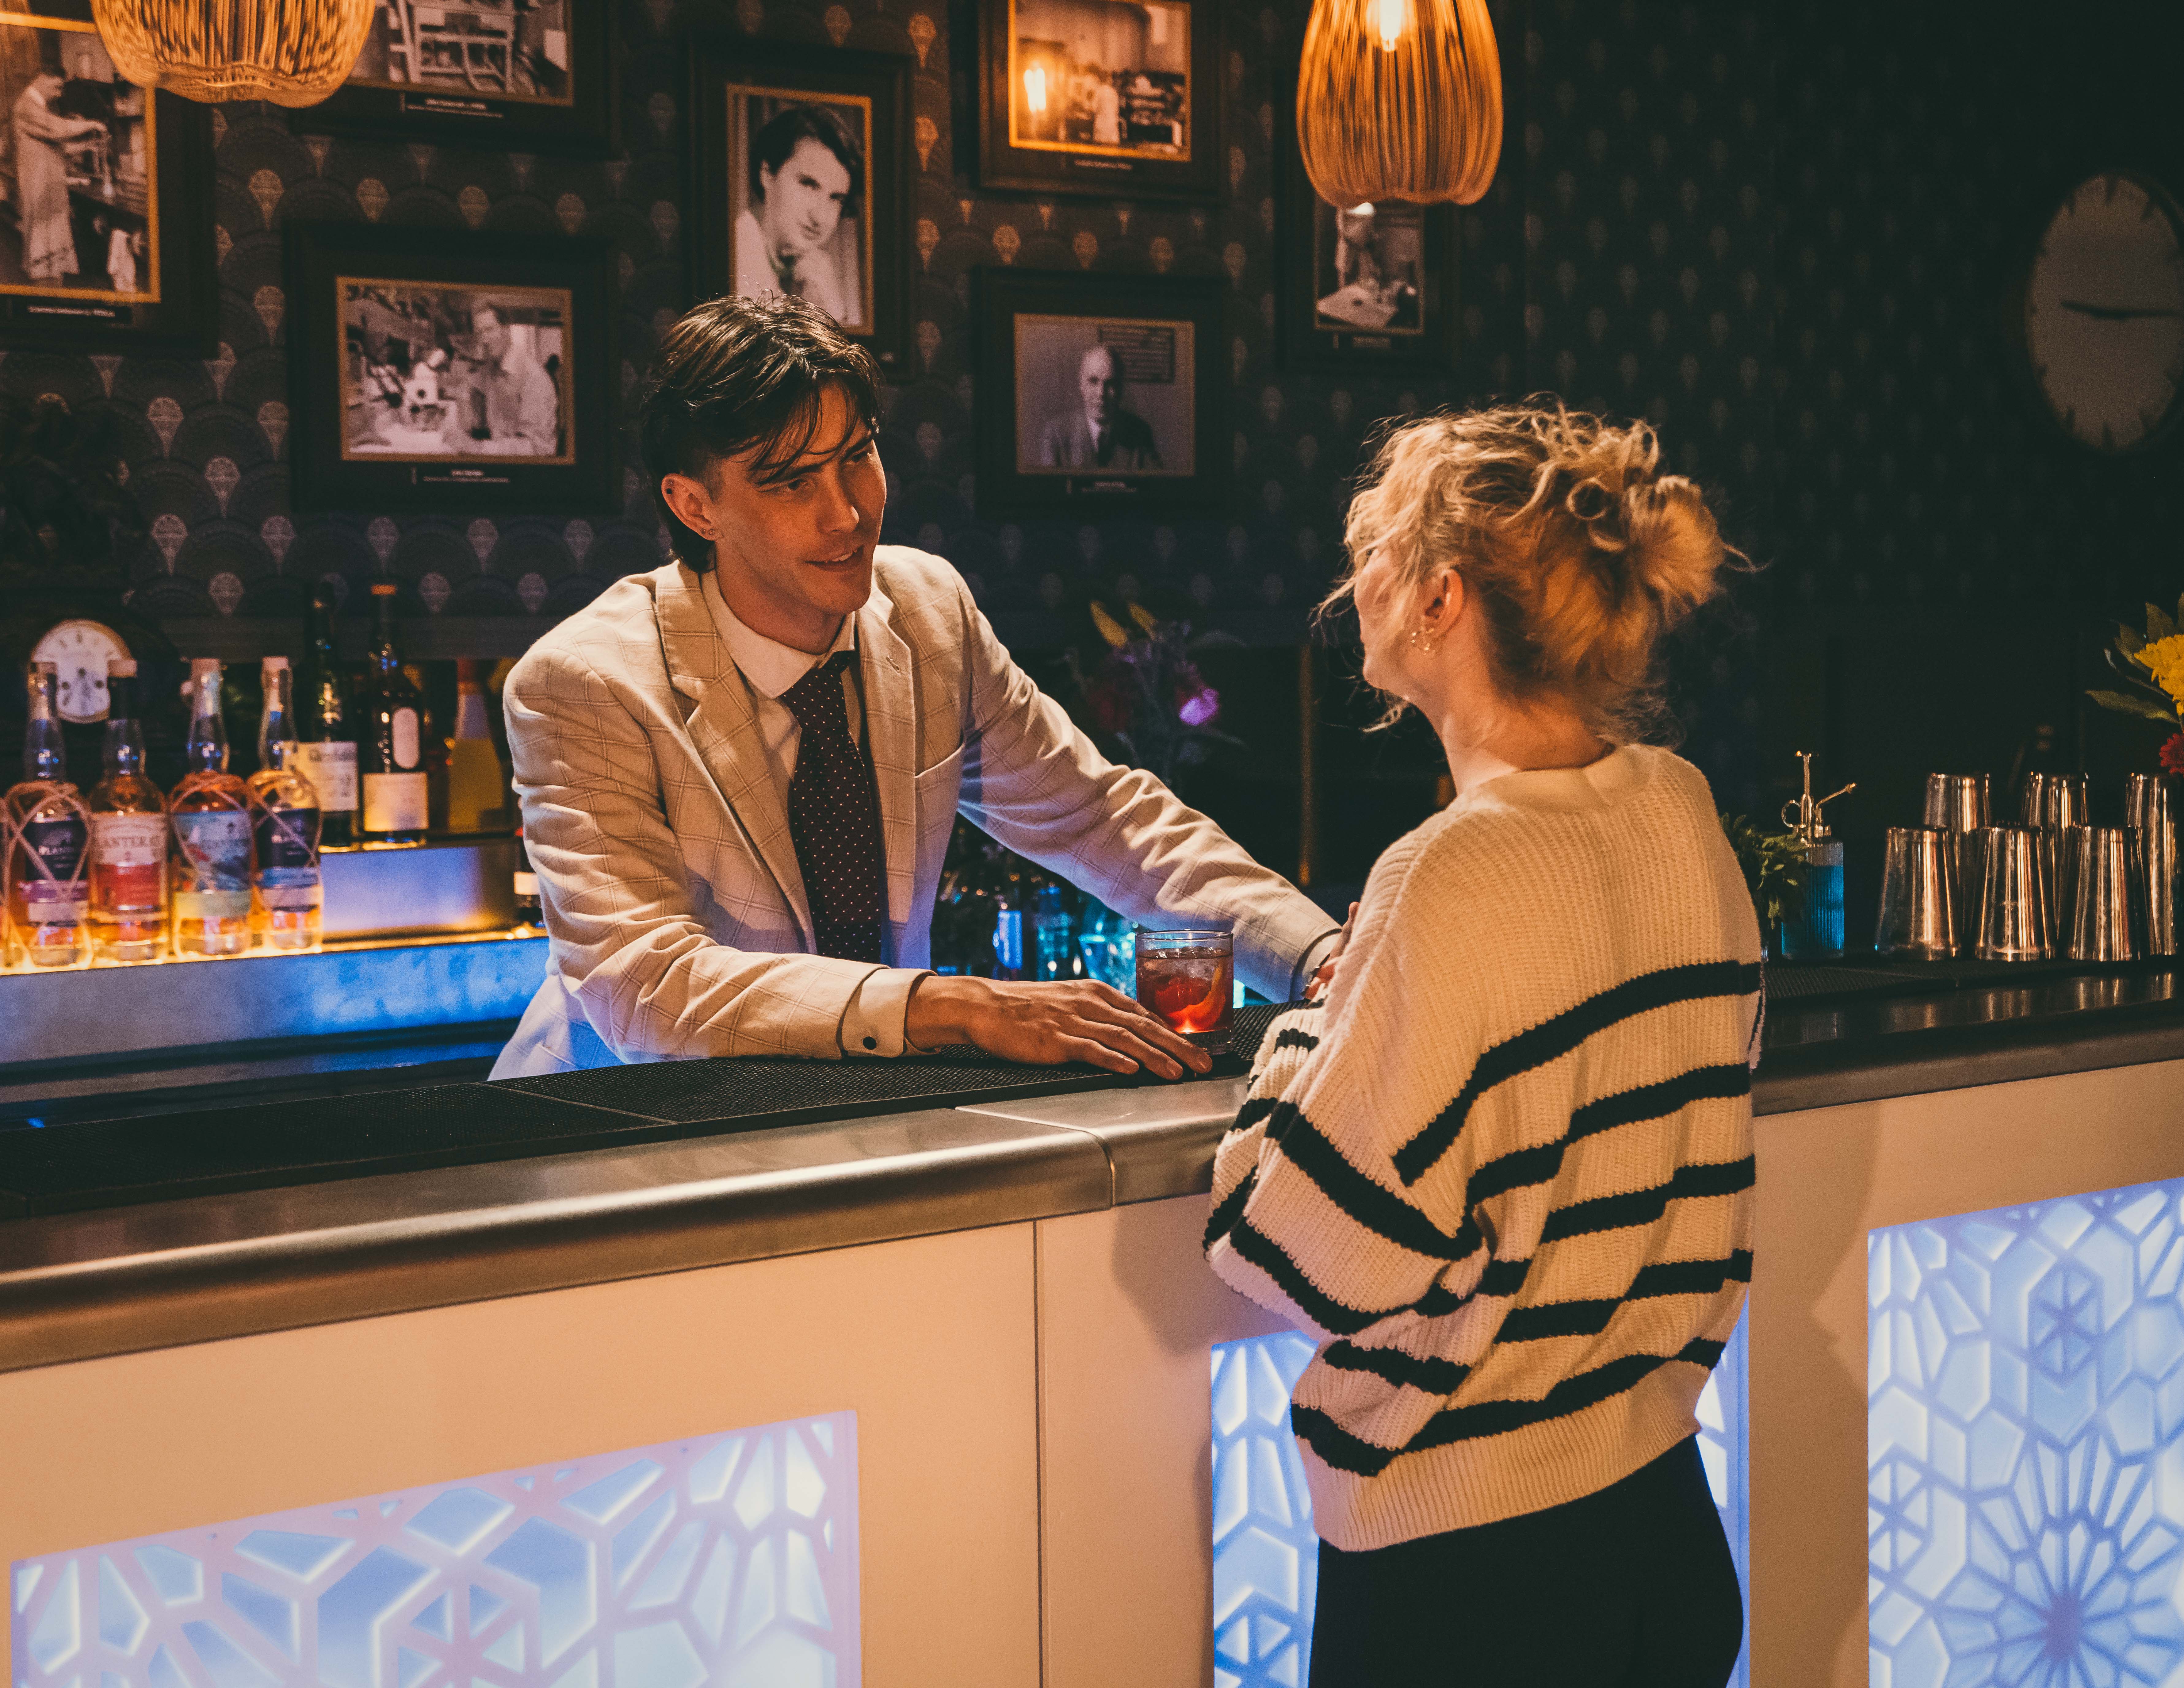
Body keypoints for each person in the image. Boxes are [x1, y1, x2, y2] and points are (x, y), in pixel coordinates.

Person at [1203, 403, 1761, 1686]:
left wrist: (1309, 1023)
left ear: (1443, 597)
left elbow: (1297, 1250)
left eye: (1377, 559)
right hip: (1662, 1530)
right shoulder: (1678, 809)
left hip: (1473, 1580)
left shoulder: (1449, 871)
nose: (1356, 589)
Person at [489, 292, 1337, 1077]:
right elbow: (649, 988)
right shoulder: (585, 684)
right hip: (623, 1139)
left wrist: (1317, 956)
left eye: (856, 457)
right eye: (791, 483)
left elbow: (1102, 820)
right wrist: (951, 1004)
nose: (847, 514)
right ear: (695, 506)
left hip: (864, 1122)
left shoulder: (929, 613)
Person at [733, 103, 863, 326]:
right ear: (767, 175)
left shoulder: (816, 277)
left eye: (835, 198)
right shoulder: (733, 258)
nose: (819, 217)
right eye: (808, 185)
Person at [11, 68, 101, 286]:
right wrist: (91, 124)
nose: (60, 94)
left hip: (48, 191)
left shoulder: (36, 107)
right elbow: (56, 129)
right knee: (45, 264)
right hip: (40, 190)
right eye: (58, 87)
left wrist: (88, 146)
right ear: (41, 78)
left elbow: (56, 148)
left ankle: (52, 293)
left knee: (51, 261)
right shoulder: (26, 106)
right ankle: (48, 301)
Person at [457, 297, 559, 456]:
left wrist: (478, 448)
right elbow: (477, 418)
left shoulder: (534, 378)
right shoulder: (493, 369)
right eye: (480, 333)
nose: (485, 339)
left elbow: (537, 448)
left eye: (490, 329)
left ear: (507, 329)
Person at [1038, 345, 1161, 471]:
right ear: (1081, 385)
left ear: (1120, 389)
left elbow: (1152, 488)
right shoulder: (1056, 434)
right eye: (1093, 381)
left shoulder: (1140, 433)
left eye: (1110, 384)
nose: (1101, 393)